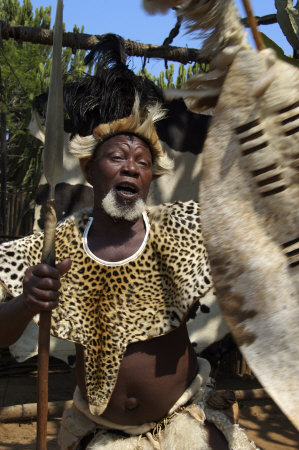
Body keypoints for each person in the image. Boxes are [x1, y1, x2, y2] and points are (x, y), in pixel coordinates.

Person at [0, 37, 257, 450]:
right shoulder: (55, 246)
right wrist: (26, 301)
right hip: (98, 432)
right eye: (118, 157)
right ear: (90, 171)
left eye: (143, 162)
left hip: (180, 425)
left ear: (152, 178)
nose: (132, 168)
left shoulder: (183, 230)